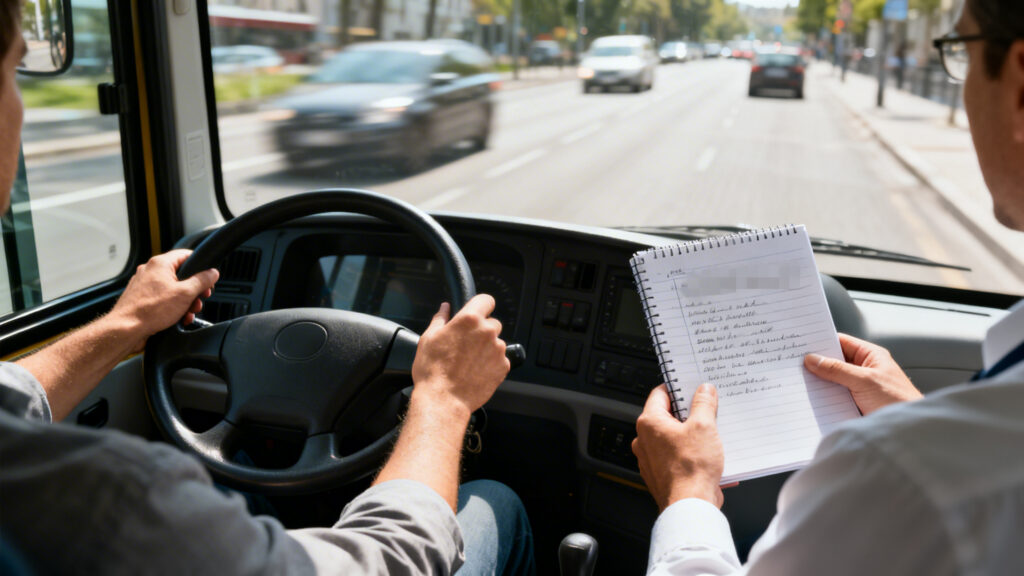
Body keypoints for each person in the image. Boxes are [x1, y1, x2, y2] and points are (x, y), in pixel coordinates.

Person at [0, 1, 534, 573]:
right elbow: (394, 561)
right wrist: (444, 395)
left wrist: (127, 323)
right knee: (495, 503)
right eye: (13, 71)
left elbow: (9, 399)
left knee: (239, 482)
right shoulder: (124, 502)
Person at [633, 0, 1024, 573]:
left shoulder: (912, 481)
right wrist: (917, 419)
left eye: (959, 52)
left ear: (1019, 88)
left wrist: (687, 493)